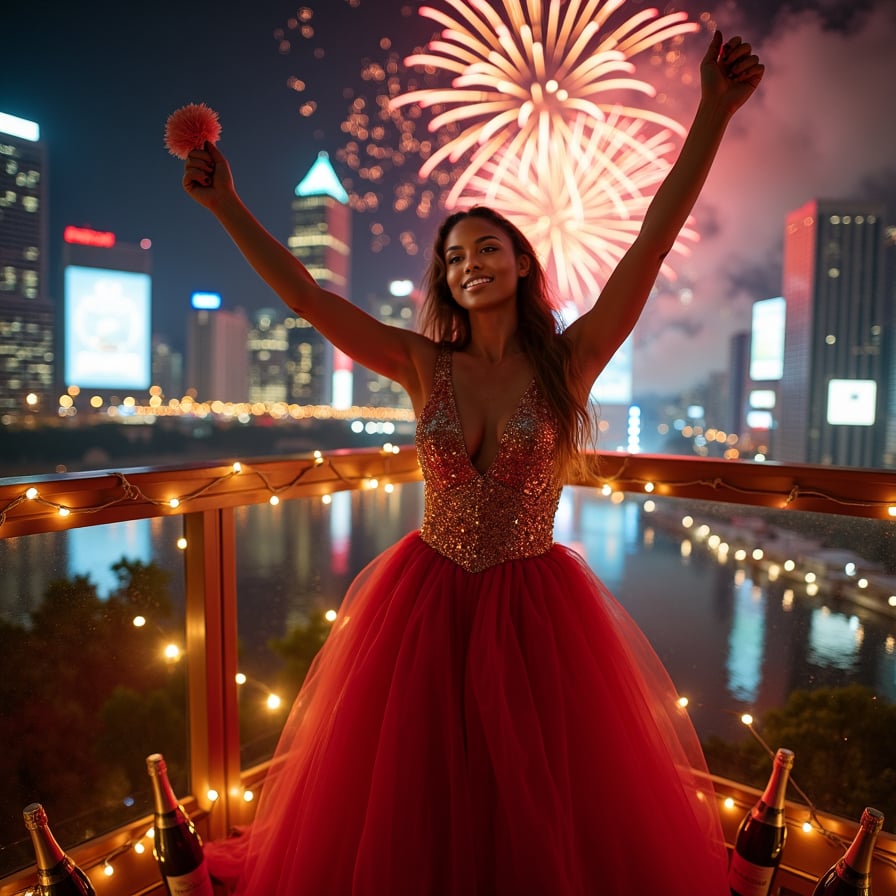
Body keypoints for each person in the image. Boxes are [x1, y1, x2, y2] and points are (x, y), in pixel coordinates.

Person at [182, 30, 763, 896]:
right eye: (453, 259)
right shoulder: (423, 365)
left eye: (487, 247)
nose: (468, 265)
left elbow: (651, 238)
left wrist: (713, 113)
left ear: (523, 262)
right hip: (423, 605)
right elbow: (308, 298)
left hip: (537, 609)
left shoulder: (572, 361)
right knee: (411, 798)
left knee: (537, 803)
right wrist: (226, 205)